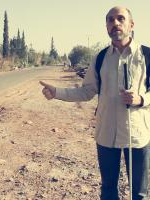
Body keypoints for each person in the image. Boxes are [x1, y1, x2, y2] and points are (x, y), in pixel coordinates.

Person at [40, 6, 150, 200]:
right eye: (110, 20)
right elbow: (86, 91)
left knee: (138, 194)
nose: (115, 23)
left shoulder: (146, 56)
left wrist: (141, 99)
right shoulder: (100, 58)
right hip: (106, 135)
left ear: (131, 25)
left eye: (120, 18)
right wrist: (56, 92)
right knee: (108, 190)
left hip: (138, 135)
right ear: (106, 27)